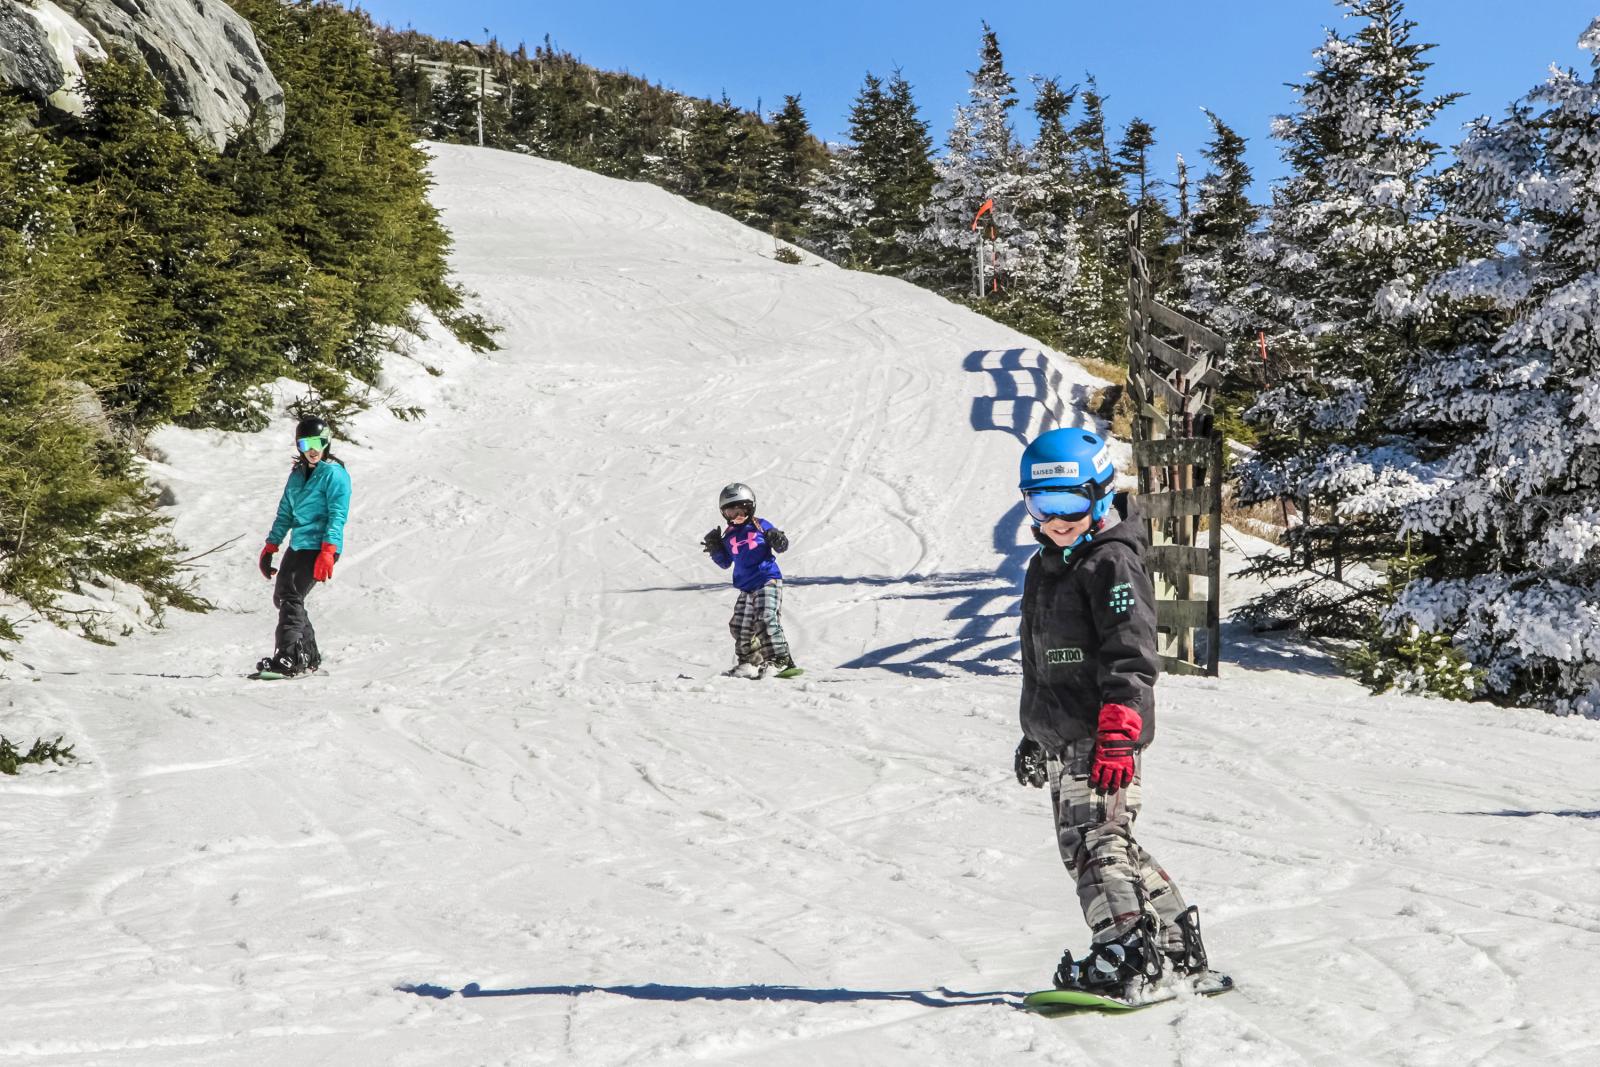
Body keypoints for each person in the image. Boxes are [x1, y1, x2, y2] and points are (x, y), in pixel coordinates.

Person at [1011, 427, 1210, 997]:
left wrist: (1121, 727)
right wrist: (1036, 734)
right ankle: (1173, 942)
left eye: (1069, 503)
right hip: (1065, 734)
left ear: (1099, 494)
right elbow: (1042, 664)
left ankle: (1123, 952)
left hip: (1103, 734)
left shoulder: (1113, 564)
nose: (1057, 519)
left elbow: (1132, 652)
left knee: (1093, 843)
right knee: (1109, 841)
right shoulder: (1047, 565)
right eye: (1042, 504)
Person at [254, 416, 351, 677]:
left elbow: (337, 516)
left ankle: (288, 656)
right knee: (283, 597)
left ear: (327, 442)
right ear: (299, 445)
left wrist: (328, 552)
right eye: (306, 443)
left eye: (319, 442)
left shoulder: (334, 475)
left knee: (291, 596)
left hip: (321, 547)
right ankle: (308, 654)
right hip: (299, 544)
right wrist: (271, 546)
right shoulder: (297, 475)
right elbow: (285, 512)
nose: (313, 448)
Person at [701, 482, 798, 678]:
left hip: (766, 579)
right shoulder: (728, 535)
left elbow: (781, 546)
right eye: (730, 512)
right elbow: (725, 563)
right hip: (746, 587)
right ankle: (751, 662)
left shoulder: (760, 525)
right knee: (739, 625)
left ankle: (781, 660)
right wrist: (715, 548)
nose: (736, 517)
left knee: (764, 618)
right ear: (723, 514)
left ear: (751, 507)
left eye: (741, 511)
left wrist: (777, 538)